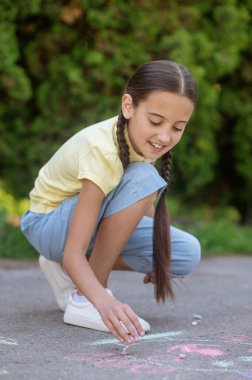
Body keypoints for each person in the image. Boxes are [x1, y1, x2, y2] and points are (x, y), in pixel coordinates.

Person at [20, 60, 201, 346]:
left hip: (79, 229)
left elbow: (137, 203)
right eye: (155, 122)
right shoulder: (102, 150)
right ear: (128, 106)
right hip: (48, 225)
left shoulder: (142, 141)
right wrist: (103, 302)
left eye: (178, 127)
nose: (165, 136)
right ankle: (85, 299)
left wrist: (158, 254)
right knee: (143, 176)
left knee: (183, 252)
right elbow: (73, 250)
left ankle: (77, 275)